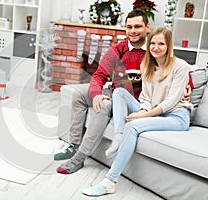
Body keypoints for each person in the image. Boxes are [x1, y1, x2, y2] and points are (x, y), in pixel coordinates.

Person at [55, 10, 192, 175]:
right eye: (129, 27)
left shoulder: (154, 49)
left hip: (134, 99)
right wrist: (96, 93)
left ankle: (81, 156)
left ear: (147, 27)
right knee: (78, 94)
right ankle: (74, 144)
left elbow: (174, 68)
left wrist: (188, 85)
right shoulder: (117, 50)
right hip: (116, 90)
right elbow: (99, 75)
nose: (133, 31)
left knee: (103, 105)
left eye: (138, 26)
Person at [82, 27, 193, 197]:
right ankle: (118, 134)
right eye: (153, 43)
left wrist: (142, 116)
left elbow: (171, 102)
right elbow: (146, 97)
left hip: (176, 116)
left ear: (169, 45)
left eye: (161, 44)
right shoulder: (146, 65)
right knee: (119, 92)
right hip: (155, 111)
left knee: (133, 126)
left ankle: (109, 182)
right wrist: (142, 109)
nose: (155, 47)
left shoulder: (180, 66)